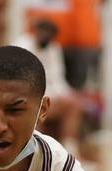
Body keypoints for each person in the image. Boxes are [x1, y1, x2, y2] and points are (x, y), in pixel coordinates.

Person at [16, 18, 84, 156]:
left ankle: (69, 151)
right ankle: (37, 153)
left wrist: (68, 95)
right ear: (36, 32)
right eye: (43, 32)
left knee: (74, 105)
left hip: (49, 97)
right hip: (25, 97)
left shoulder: (54, 48)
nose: (45, 36)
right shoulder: (22, 46)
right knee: (36, 110)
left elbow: (58, 79)